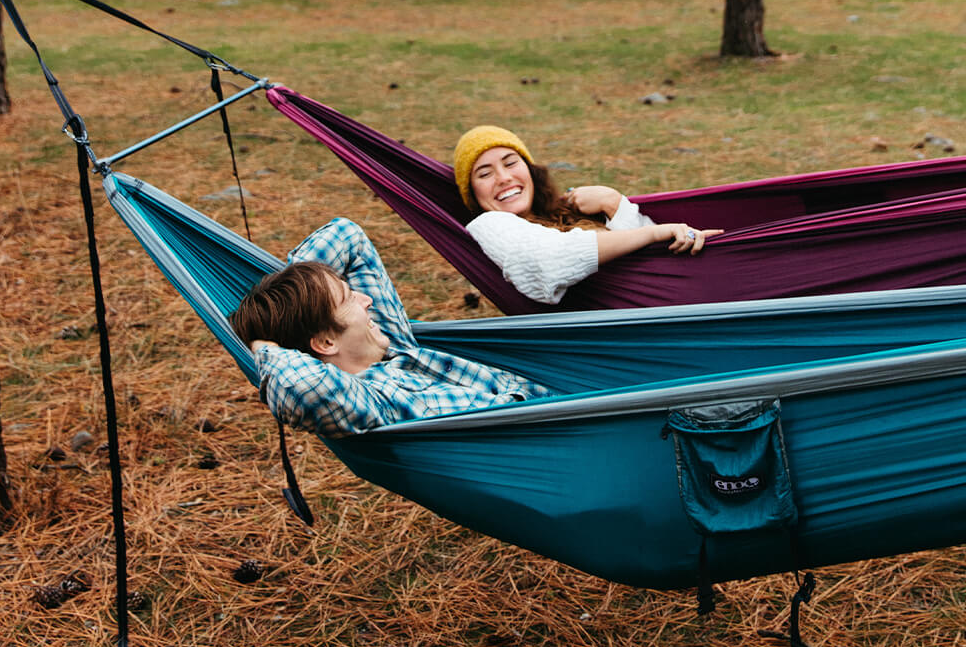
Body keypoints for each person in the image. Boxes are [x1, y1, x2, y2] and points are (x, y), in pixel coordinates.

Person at [230, 218, 554, 437]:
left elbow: (347, 235)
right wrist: (260, 342)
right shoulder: (372, 403)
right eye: (348, 299)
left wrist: (291, 295)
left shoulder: (392, 345)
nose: (367, 300)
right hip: (562, 434)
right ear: (327, 342)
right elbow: (300, 385)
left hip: (562, 401)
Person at [452, 125, 723, 304]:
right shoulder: (490, 225)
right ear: (473, 194)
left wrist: (613, 203)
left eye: (511, 163)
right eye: (485, 174)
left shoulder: (565, 212)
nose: (503, 178)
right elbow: (551, 262)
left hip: (675, 300)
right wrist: (655, 232)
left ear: (530, 171)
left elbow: (646, 260)